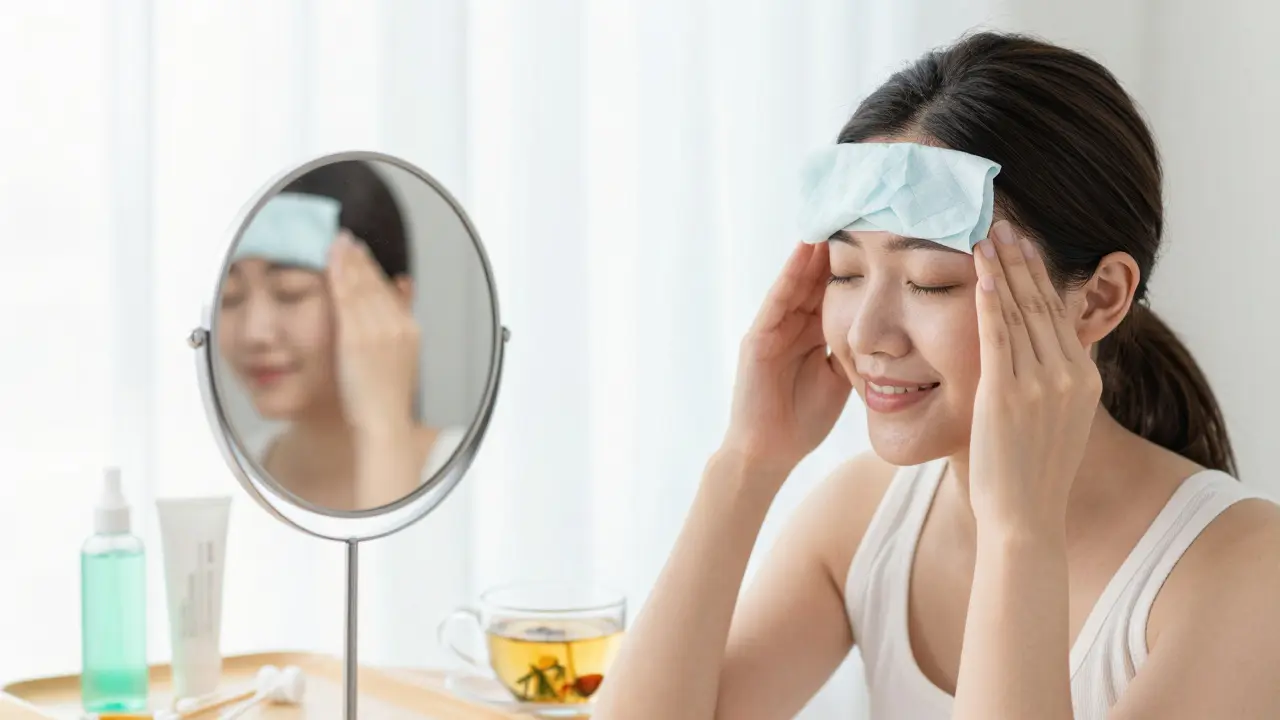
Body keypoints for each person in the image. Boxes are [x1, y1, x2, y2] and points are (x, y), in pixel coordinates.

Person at [592, 31, 1280, 719]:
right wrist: (746, 462)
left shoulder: (1247, 572)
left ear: (1099, 297)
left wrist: (1020, 533)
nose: (866, 335)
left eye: (931, 282)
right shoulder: (867, 514)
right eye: (846, 273)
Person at [216, 160, 466, 512]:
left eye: (291, 291)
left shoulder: (475, 478)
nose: (254, 333)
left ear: (394, 301)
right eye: (230, 296)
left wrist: (383, 427)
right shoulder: (229, 483)